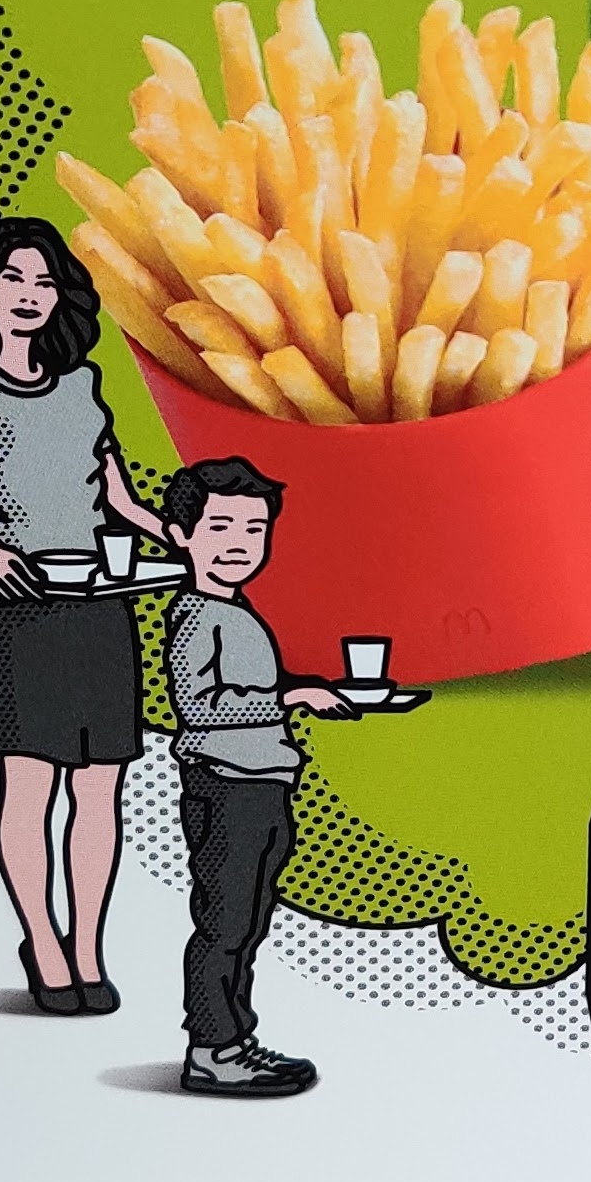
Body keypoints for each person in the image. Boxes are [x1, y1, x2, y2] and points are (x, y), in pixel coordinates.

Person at [0, 218, 167, 1016]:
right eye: (13, 279)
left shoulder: (81, 384)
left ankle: (88, 947)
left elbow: (115, 491)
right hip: (15, 606)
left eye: (44, 282)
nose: (29, 295)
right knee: (28, 784)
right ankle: (43, 939)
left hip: (97, 604)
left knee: (100, 789)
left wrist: (171, 535)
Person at [159, 455, 347, 1096]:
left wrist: (297, 691)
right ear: (181, 535)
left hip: (262, 782)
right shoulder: (197, 616)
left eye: (253, 529)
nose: (238, 544)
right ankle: (212, 1050)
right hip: (225, 785)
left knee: (248, 923)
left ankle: (235, 1041)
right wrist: (291, 697)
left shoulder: (236, 611)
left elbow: (245, 690)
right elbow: (201, 706)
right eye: (220, 528)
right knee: (225, 924)